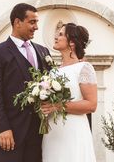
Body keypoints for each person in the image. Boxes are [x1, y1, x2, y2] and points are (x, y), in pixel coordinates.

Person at [0, 3, 51, 162]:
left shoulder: (43, 52)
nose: (36, 27)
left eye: (37, 22)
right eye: (32, 22)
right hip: (8, 136)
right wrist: (2, 128)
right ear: (17, 22)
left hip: (37, 137)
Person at [40, 22, 97, 161]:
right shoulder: (53, 71)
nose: (55, 37)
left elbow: (91, 105)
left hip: (73, 130)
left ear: (71, 43)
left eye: (60, 34)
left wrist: (57, 106)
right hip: (52, 133)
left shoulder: (83, 68)